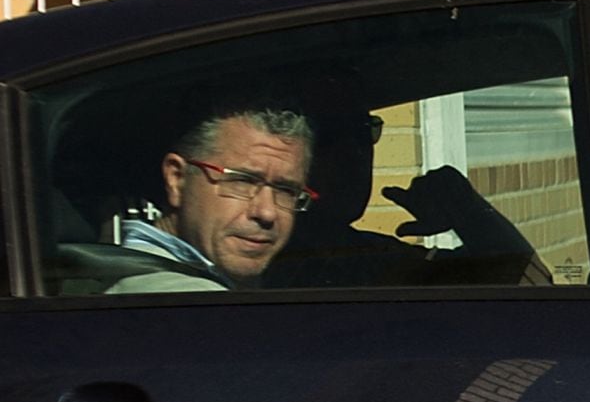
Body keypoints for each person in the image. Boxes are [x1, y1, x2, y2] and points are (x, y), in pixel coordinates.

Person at [263, 108, 551, 288]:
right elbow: (531, 287)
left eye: (364, 131)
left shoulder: (359, 251)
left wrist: (468, 211)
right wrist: (472, 214)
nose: (356, 153)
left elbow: (527, 282)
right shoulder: (280, 258)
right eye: (331, 136)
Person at [105, 107, 315, 293]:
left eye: (286, 190)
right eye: (242, 181)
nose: (267, 212)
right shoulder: (183, 300)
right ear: (177, 179)